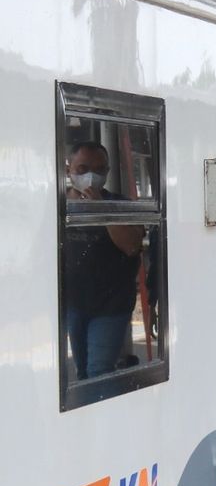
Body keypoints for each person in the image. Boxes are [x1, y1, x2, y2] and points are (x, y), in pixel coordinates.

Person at [64, 141, 144, 379]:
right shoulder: (58, 205)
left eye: (100, 170)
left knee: (99, 370)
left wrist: (101, 207)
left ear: (108, 173)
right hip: (73, 304)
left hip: (111, 306)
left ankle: (101, 410)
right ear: (68, 170)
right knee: (82, 370)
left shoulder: (122, 206)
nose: (91, 176)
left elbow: (131, 246)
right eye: (83, 169)